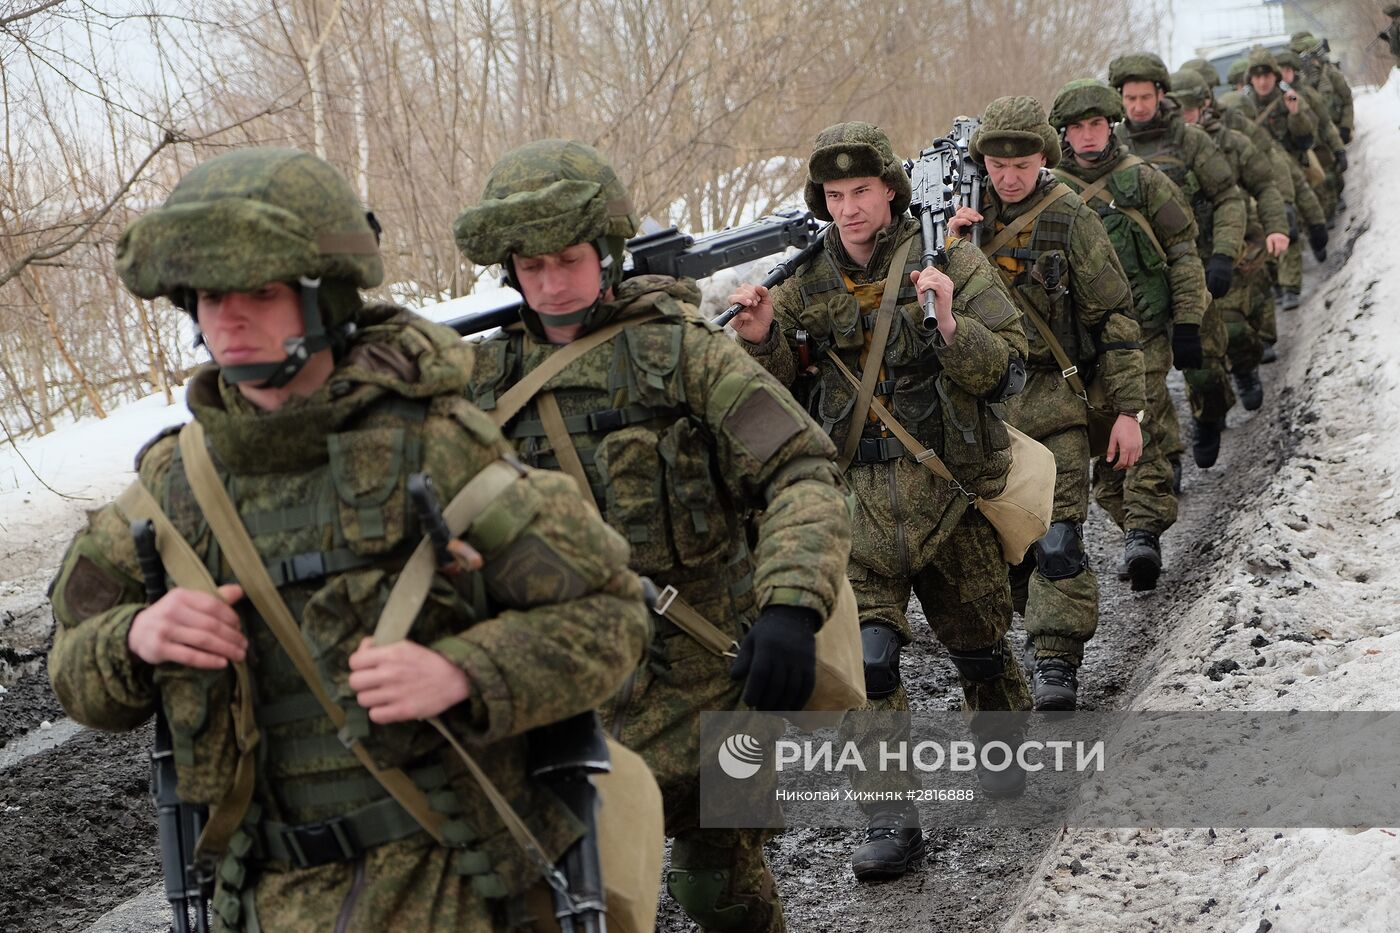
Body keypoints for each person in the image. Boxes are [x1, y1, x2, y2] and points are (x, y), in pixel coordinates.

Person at [48, 147, 651, 931]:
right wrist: (134, 637)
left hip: (448, 885)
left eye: (259, 292)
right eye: (206, 295)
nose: (226, 317)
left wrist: (462, 671)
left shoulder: (437, 449)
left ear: (326, 298)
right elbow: (72, 666)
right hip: (255, 898)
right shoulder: (171, 490)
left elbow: (611, 614)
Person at [453, 139, 851, 932]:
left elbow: (801, 467)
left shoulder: (679, 350)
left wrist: (791, 607)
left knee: (717, 891)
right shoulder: (474, 387)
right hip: (562, 696)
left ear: (606, 251)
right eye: (530, 266)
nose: (552, 283)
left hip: (700, 677)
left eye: (568, 258)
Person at [727, 121, 1033, 879]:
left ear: (891, 190)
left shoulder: (949, 259)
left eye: (860, 190)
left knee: (981, 647)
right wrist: (763, 339)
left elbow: (1011, 374)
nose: (848, 207)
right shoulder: (801, 284)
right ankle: (890, 815)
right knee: (870, 664)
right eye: (834, 194)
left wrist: (953, 324)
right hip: (856, 504)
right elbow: (775, 400)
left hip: (948, 494)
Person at [949, 96, 1146, 707]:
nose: (1009, 178)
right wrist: (952, 248)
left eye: (1023, 164)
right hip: (982, 410)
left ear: (1043, 158)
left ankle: (1056, 662)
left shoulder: (1068, 218)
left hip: (1056, 400)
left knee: (1058, 542)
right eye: (997, 165)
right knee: (1004, 551)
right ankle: (1011, 646)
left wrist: (1128, 412)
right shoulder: (955, 218)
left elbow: (1114, 316)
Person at [1049, 78, 1205, 589]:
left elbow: (1181, 249)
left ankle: (1143, 534)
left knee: (1143, 418)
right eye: (1078, 127)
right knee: (1106, 454)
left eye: (1097, 124)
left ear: (1111, 126)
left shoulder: (1143, 180)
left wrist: (1188, 320)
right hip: (1082, 346)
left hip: (1147, 333)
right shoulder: (1048, 193)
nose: (1089, 136)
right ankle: (1132, 518)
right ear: (1063, 134)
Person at [1109, 52, 1246, 470]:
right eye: (1129, 98)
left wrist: (1223, 254)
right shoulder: (1112, 147)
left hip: (1193, 266)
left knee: (1204, 365)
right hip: (1138, 281)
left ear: (1161, 94)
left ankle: (1210, 417)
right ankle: (1164, 462)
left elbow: (1227, 197)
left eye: (1144, 96)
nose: (1137, 106)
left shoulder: (1190, 140)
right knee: (1146, 386)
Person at [1170, 68, 1290, 410]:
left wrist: (1278, 225)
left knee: (1234, 327)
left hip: (1235, 248)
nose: (1183, 119)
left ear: (1204, 105)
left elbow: (1265, 186)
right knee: (1198, 351)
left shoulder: (1233, 143)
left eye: (1189, 110)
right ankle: (1210, 409)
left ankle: (1245, 368)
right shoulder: (1161, 153)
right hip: (1184, 259)